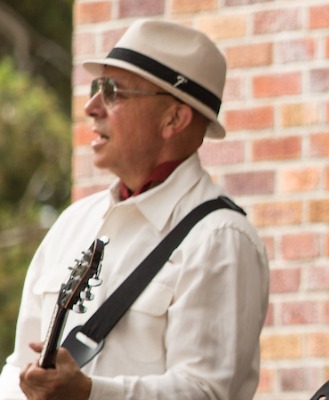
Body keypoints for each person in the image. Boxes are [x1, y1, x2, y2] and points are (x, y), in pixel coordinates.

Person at [0, 20, 270, 399]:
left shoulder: (220, 239)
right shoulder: (72, 223)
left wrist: (90, 393)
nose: (91, 107)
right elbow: (16, 368)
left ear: (174, 119)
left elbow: (205, 392)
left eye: (112, 92)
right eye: (96, 88)